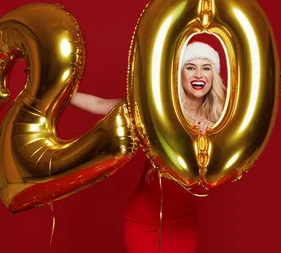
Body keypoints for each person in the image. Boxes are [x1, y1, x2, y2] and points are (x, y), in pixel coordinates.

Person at [70, 41, 226, 252]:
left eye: (206, 68)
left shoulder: (220, 121)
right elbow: (99, 104)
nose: (198, 74)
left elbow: (216, 175)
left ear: (213, 76)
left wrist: (210, 137)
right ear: (179, 75)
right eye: (190, 67)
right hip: (143, 221)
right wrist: (56, 92)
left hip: (183, 224)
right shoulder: (156, 109)